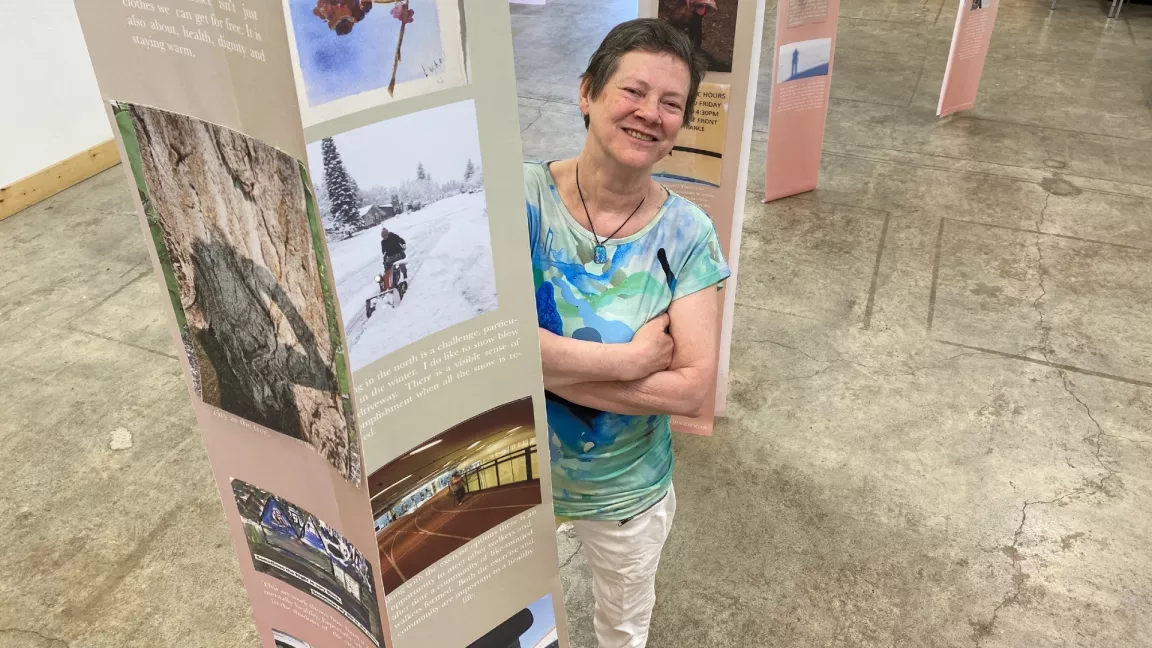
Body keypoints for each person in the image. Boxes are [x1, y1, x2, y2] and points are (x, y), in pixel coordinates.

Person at [524, 18, 730, 648]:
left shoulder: (688, 236)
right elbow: (484, 349)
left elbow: (691, 389)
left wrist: (544, 366)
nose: (650, 114)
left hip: (625, 490)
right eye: (633, 92)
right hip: (510, 474)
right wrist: (633, 360)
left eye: (671, 104)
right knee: (515, 624)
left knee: (622, 629)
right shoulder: (520, 200)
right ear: (587, 92)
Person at [379, 227, 407, 293]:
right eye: (382, 236)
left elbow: (402, 241)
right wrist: (385, 259)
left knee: (401, 265)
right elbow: (383, 251)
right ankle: (386, 284)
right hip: (390, 257)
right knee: (387, 269)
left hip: (398, 254)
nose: (384, 237)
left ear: (387, 234)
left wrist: (403, 246)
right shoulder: (383, 242)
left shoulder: (394, 236)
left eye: (385, 236)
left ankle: (404, 274)